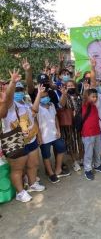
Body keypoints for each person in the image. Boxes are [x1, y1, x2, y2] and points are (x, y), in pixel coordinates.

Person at [1, 70, 45, 203]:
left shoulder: (25, 102)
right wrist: (12, 83)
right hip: (16, 142)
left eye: (21, 88)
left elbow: (34, 111)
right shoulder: (7, 104)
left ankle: (32, 184)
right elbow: (8, 98)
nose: (19, 91)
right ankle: (20, 192)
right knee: (18, 169)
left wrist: (38, 94)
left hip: (30, 138)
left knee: (33, 164)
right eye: (16, 89)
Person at [37, 90, 70, 183]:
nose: (45, 98)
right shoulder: (37, 108)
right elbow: (35, 123)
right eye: (42, 97)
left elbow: (55, 118)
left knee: (61, 148)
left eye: (46, 95)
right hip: (44, 136)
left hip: (54, 134)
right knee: (46, 155)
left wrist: (58, 130)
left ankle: (58, 169)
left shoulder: (51, 105)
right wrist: (39, 136)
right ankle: (51, 174)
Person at [81, 88, 101, 180]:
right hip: (88, 133)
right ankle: (87, 169)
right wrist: (86, 88)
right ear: (87, 97)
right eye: (92, 96)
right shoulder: (84, 105)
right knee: (88, 152)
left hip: (97, 132)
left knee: (97, 150)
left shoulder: (94, 106)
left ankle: (98, 165)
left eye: (96, 96)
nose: (95, 98)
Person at [59, 80, 83, 171]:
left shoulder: (80, 96)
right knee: (71, 143)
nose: (70, 87)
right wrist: (64, 94)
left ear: (75, 86)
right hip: (69, 124)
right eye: (68, 85)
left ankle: (81, 159)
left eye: (72, 85)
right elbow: (61, 104)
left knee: (81, 141)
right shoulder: (65, 96)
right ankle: (74, 162)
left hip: (80, 122)